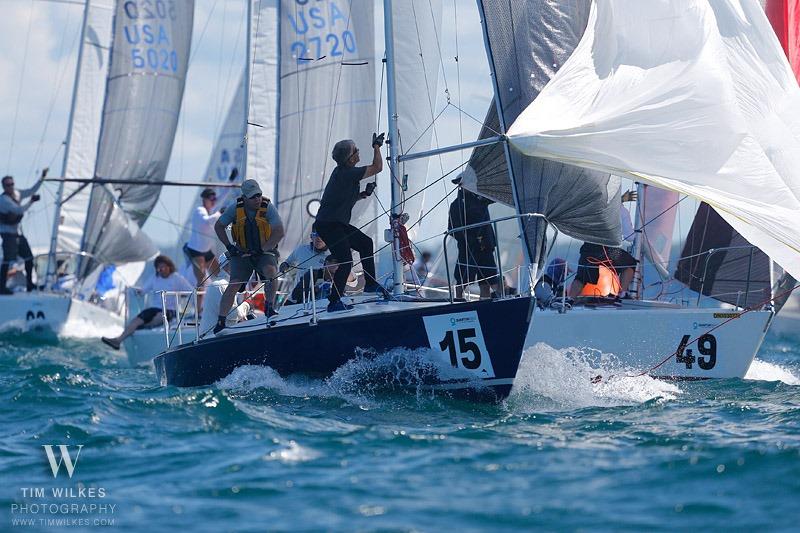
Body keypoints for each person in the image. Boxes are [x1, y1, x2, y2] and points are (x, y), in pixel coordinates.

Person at [313, 133, 386, 312]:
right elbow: (378, 167)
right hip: (329, 224)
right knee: (345, 261)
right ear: (350, 158)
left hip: (335, 223)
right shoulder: (347, 173)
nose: (359, 153)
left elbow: (343, 199)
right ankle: (334, 301)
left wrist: (364, 195)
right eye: (356, 151)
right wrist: (376, 146)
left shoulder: (344, 174)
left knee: (365, 243)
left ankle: (370, 284)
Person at [213, 179, 285, 333]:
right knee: (234, 284)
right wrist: (229, 247)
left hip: (264, 251)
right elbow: (219, 226)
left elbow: (279, 231)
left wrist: (263, 248)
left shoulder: (268, 208)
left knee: (271, 273)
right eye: (253, 196)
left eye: (259, 195)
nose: (257, 199)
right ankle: (221, 321)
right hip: (242, 253)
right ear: (244, 198)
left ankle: (270, 307)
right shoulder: (234, 209)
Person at [101, 255, 192, 350]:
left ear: (169, 267)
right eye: (158, 268)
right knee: (137, 320)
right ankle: (118, 340)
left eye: (163, 267)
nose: (161, 270)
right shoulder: (154, 278)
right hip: (155, 308)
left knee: (160, 316)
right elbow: (144, 290)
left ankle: (143, 327)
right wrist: (137, 291)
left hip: (170, 310)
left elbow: (190, 291)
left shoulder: (177, 278)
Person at [568, 189, 638, 298]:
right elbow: (630, 237)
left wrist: (620, 200)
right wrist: (639, 235)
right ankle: (622, 294)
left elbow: (604, 206)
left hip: (588, 248)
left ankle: (569, 300)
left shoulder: (592, 208)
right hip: (607, 250)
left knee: (581, 277)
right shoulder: (622, 211)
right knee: (629, 263)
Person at [448, 177, 500, 300]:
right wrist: (468, 239)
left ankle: (486, 302)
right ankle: (459, 300)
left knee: (488, 279)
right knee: (462, 279)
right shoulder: (456, 205)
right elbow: (453, 228)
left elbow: (494, 197)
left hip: (486, 246)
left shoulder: (481, 200)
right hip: (468, 247)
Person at [0, 169, 45, 294]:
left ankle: (30, 284)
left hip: (18, 234)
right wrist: (31, 201)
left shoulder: (17, 193)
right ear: (3, 186)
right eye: (8, 185)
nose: (11, 187)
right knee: (8, 260)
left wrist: (42, 179)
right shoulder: (3, 200)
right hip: (8, 234)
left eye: (12, 184)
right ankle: (1, 287)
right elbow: (19, 210)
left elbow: (31, 191)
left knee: (29, 258)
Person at [184, 187, 221, 309]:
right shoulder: (199, 210)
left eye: (214, 199)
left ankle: (225, 302)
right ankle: (198, 310)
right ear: (204, 199)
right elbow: (207, 222)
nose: (213, 201)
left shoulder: (212, 209)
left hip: (206, 251)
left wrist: (231, 181)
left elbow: (222, 197)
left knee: (220, 273)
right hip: (196, 251)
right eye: (211, 199)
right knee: (201, 282)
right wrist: (220, 213)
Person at [199, 253, 249, 337]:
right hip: (214, 337)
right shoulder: (222, 285)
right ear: (228, 266)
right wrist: (247, 305)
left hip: (212, 336)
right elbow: (232, 315)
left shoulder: (221, 284)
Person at [280, 231, 330, 304]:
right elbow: (288, 262)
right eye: (316, 235)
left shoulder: (333, 255)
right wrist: (284, 265)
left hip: (321, 298)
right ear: (311, 237)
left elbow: (352, 279)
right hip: (298, 296)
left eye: (322, 235)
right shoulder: (301, 249)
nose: (319, 238)